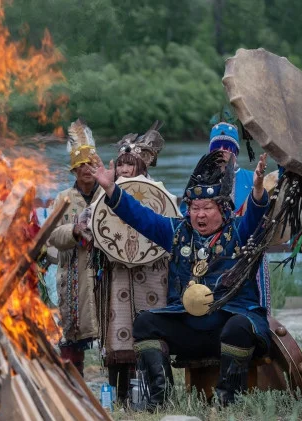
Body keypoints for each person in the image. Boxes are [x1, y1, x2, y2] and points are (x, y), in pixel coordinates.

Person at [92, 149, 270, 409]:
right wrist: (111, 189)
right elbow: (142, 217)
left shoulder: (238, 231)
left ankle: (226, 400)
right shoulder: (176, 232)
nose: (199, 215)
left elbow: (255, 218)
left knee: (239, 327)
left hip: (228, 321)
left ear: (222, 208)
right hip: (187, 324)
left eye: (207, 208)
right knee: (145, 323)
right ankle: (160, 399)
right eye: (195, 208)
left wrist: (257, 192)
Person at [101, 123, 168, 403]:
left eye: (130, 166)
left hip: (151, 274)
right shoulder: (102, 195)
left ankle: (158, 394)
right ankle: (120, 397)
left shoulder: (160, 193)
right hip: (117, 275)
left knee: (152, 333)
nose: (125, 171)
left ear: (141, 166)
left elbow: (167, 225)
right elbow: (97, 226)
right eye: (121, 166)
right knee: (118, 338)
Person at [47, 119, 103, 376]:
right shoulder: (63, 199)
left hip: (105, 271)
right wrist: (74, 231)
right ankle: (73, 387)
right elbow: (51, 234)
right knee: (72, 336)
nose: (86, 170)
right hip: (73, 274)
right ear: (74, 170)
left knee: (113, 332)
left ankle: (120, 389)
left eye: (91, 164)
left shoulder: (110, 195)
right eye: (80, 166)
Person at [208, 122, 272, 312]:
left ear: (235, 151)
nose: (222, 152)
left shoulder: (253, 178)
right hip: (212, 254)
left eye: (227, 148)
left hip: (248, 251)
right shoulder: (200, 179)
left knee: (253, 306)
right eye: (216, 147)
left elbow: (263, 215)